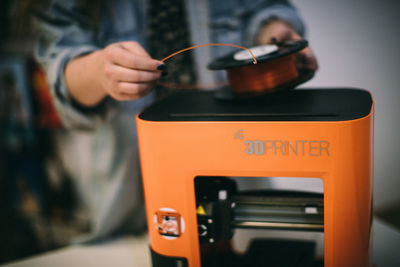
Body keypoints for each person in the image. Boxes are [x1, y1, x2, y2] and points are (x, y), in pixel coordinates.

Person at [34, 0, 317, 242]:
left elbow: (265, 8)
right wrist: (98, 70)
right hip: (131, 203)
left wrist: (272, 29)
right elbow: (61, 65)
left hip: (241, 188)